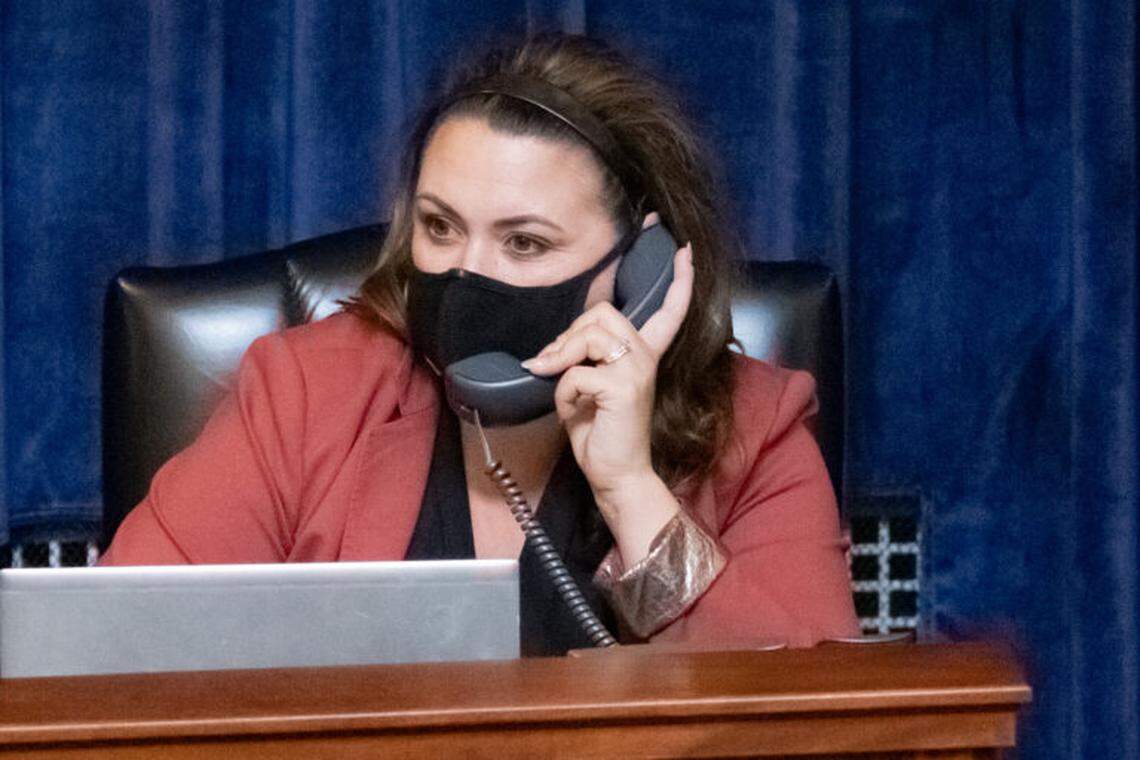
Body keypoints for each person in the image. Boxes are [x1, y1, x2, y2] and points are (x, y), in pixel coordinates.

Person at [101, 34, 859, 654]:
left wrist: (633, 492)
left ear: (640, 268)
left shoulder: (754, 430)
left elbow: (817, 721)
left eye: (524, 243)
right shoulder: (307, 393)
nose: (467, 275)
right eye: (439, 227)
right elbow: (112, 654)